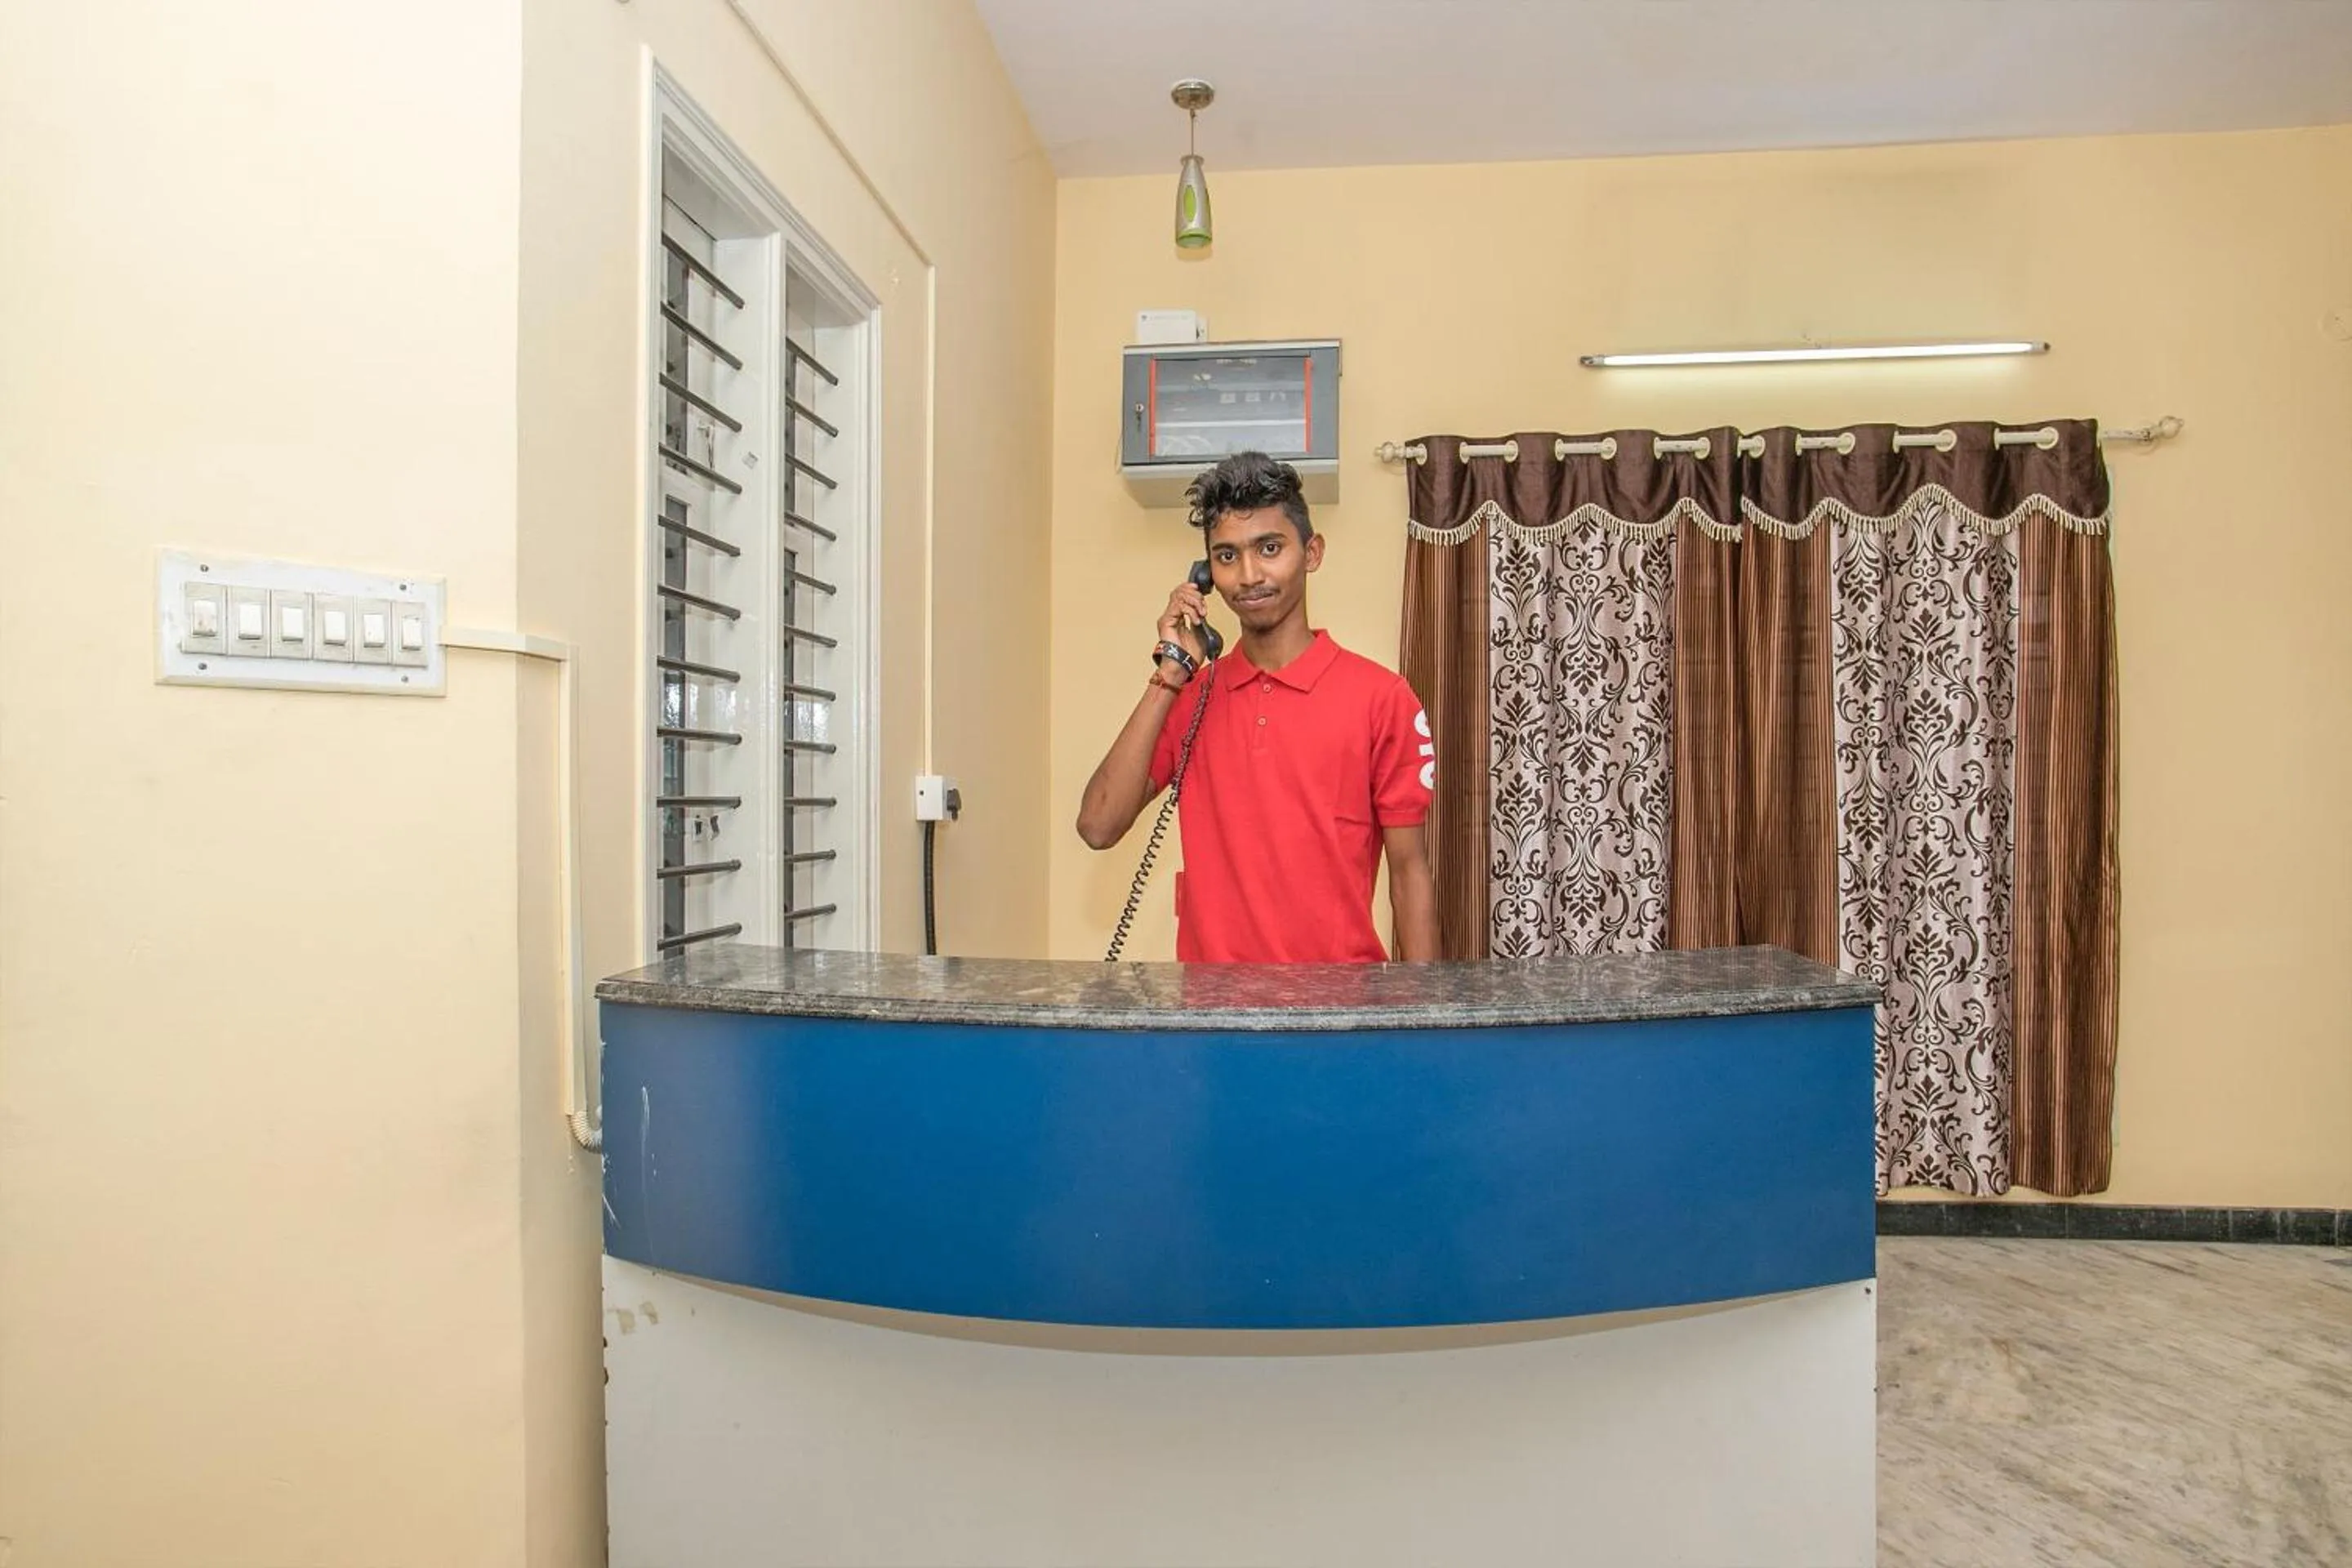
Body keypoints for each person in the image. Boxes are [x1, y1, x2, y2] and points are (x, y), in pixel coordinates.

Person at [1076, 451, 1440, 964]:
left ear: (1311, 552)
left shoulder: (1383, 697)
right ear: (1205, 575)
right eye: (1226, 556)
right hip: (1212, 1020)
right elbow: (1098, 825)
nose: (1248, 575)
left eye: (1269, 548)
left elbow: (1409, 872)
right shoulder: (1189, 698)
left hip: (1341, 1014)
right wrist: (1172, 672)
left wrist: (1433, 1025)